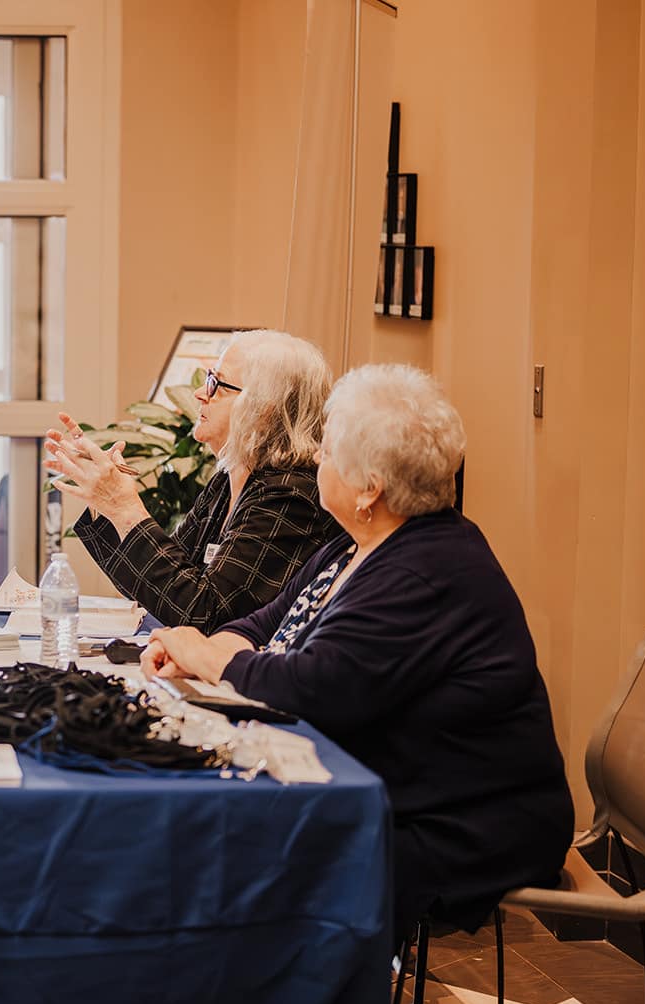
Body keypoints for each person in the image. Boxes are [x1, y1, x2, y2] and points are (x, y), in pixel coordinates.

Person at [141, 363, 573, 946]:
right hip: (400, 788)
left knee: (244, 854)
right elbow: (268, 621)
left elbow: (317, 687)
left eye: (327, 449)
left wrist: (205, 655)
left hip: (465, 823)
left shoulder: (427, 570)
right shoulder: (358, 545)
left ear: (369, 488)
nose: (315, 457)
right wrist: (217, 646)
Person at [45, 330, 339, 632]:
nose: (200, 393)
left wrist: (125, 508)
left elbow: (206, 615)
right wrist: (105, 499)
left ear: (264, 409)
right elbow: (162, 589)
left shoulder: (290, 495)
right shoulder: (229, 479)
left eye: (215, 384)